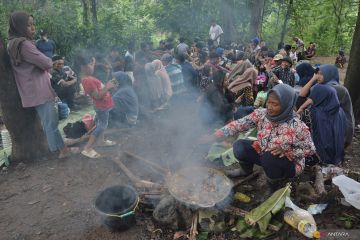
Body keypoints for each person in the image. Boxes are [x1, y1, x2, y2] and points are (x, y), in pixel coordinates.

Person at [200, 84, 316, 185]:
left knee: (269, 158)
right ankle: (246, 171)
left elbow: (310, 149)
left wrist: (289, 152)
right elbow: (239, 124)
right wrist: (215, 135)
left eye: (275, 104)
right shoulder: (262, 114)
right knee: (240, 145)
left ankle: (275, 182)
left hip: (288, 163)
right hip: (264, 152)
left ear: (286, 105)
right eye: (268, 102)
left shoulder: (297, 126)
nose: (269, 107)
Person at [7, 11, 76, 159]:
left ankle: (61, 148)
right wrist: (47, 60)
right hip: (39, 89)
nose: (33, 28)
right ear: (19, 26)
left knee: (48, 122)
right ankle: (60, 151)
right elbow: (46, 63)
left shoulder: (11, 44)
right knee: (50, 123)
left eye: (33, 24)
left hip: (29, 90)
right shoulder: (24, 44)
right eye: (28, 25)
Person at [298, 64, 354, 148]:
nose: (318, 77)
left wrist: (302, 108)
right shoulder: (320, 86)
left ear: (329, 74)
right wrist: (313, 79)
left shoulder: (338, 89)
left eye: (321, 74)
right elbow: (301, 95)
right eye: (317, 74)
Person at [76, 52, 116, 158]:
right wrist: (107, 87)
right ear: (83, 67)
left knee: (101, 123)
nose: (93, 67)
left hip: (102, 106)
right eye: (91, 65)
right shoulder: (88, 80)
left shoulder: (88, 78)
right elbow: (97, 96)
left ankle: (101, 141)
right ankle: (87, 148)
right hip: (101, 106)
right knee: (102, 125)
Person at [297, 84, 346, 165]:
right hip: (337, 156)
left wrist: (301, 108)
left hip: (316, 156)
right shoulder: (340, 111)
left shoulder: (312, 112)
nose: (310, 98)